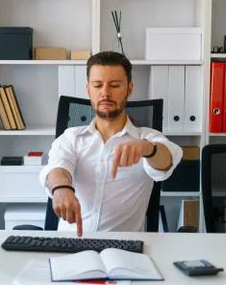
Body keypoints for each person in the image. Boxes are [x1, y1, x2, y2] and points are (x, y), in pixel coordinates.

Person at [39, 51, 183, 237]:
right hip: (71, 246)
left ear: (129, 88)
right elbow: (57, 167)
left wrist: (148, 149)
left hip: (124, 249)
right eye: (97, 85)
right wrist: (61, 188)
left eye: (115, 85)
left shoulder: (147, 137)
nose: (105, 93)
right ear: (88, 89)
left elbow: (168, 159)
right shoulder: (72, 137)